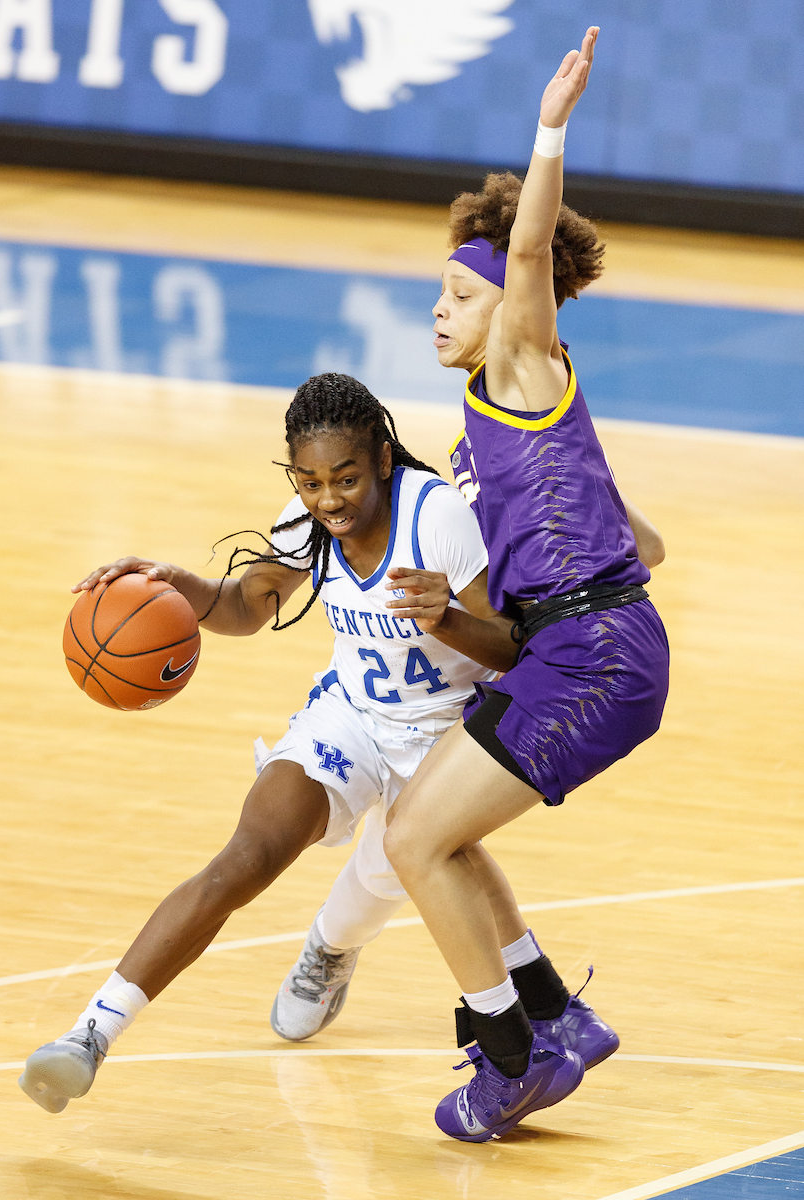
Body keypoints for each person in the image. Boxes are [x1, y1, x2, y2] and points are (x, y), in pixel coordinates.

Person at [18, 372, 542, 1114]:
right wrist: (174, 586)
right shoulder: (304, 522)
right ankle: (88, 1035)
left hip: (442, 731)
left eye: (346, 477)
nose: (328, 498)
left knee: (393, 867)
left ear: (383, 460)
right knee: (247, 855)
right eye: (310, 480)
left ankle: (329, 949)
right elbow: (241, 607)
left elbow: (516, 647)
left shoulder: (438, 519)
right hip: (351, 716)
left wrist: (448, 620)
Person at [378, 27, 671, 1143]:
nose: (439, 309)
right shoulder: (496, 425)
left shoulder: (518, 356)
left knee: (412, 840)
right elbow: (643, 548)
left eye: (458, 290)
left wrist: (549, 124)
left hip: (593, 655)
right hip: (576, 646)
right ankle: (554, 1019)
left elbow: (532, 252)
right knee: (437, 830)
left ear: (510, 309)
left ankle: (507, 1061)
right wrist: (467, 609)